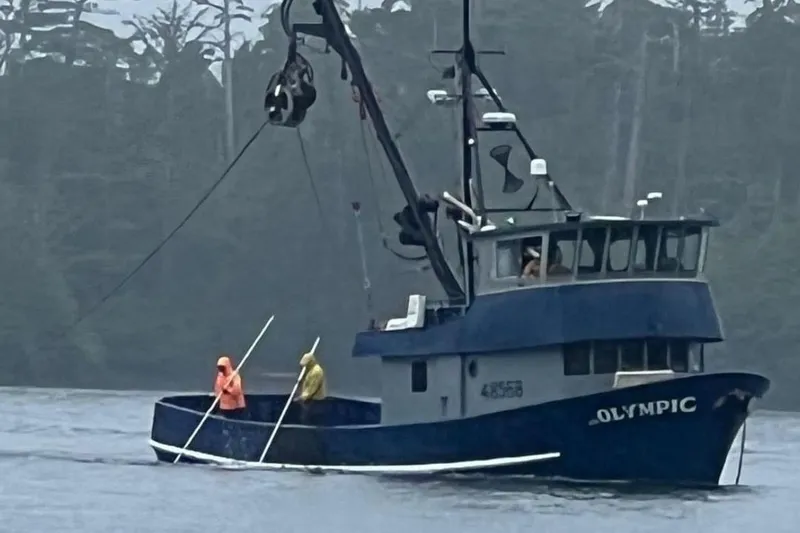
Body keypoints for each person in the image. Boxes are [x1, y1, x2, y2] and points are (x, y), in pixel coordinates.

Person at [293, 351, 326, 425]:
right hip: (309, 399)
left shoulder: (316, 372)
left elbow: (311, 388)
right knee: (304, 416)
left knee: (310, 418)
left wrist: (300, 398)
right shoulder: (309, 370)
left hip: (315, 400)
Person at [214, 355, 247, 419]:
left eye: (222, 367)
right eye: (219, 367)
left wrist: (228, 390)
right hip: (224, 406)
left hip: (236, 407)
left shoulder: (234, 376)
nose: (221, 369)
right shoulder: (220, 376)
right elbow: (217, 388)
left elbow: (237, 390)